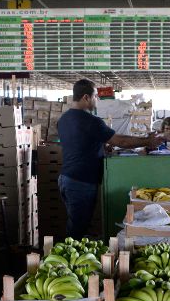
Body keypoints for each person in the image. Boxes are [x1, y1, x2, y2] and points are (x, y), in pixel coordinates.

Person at [57, 78, 161, 238]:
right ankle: (67, 260)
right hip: (81, 181)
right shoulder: (92, 121)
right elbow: (122, 141)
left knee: (77, 223)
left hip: (66, 178)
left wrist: (100, 147)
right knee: (77, 228)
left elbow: (77, 144)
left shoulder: (63, 120)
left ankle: (74, 255)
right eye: (95, 97)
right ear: (86, 97)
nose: (97, 100)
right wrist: (148, 140)